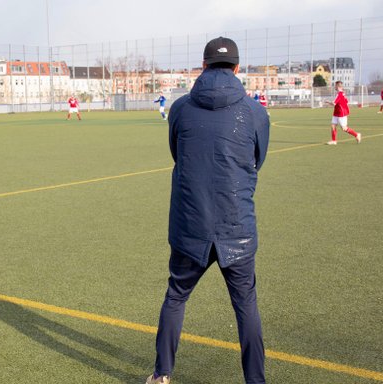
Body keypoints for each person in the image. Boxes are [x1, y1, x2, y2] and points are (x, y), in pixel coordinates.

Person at [146, 36, 269, 384]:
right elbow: (257, 161)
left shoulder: (181, 108)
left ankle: (161, 374)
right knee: (246, 305)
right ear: (238, 67)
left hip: (190, 224)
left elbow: (177, 152)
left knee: (176, 296)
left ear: (202, 66)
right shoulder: (255, 111)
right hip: (238, 226)